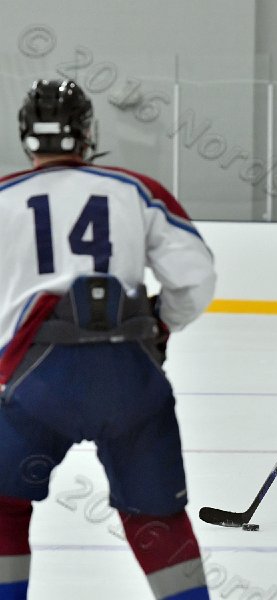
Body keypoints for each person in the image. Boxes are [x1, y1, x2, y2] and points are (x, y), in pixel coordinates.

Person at [0, 80, 216, 599]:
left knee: (3, 505)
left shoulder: (4, 196)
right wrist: (160, 328)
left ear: (28, 137)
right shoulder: (134, 189)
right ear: (88, 132)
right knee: (158, 518)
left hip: (34, 380)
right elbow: (196, 275)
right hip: (128, 376)